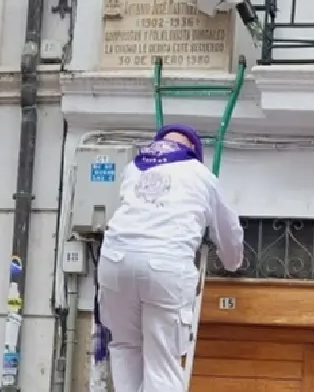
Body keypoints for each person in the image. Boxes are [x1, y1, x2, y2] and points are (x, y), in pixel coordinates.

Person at [97, 124, 244, 392]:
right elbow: (229, 232)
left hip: (115, 260)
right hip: (165, 263)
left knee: (124, 348)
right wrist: (233, 262)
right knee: (161, 359)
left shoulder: (134, 169)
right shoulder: (201, 175)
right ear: (192, 151)